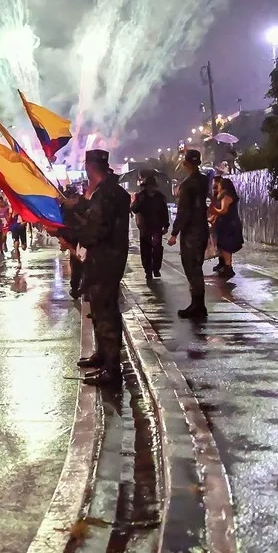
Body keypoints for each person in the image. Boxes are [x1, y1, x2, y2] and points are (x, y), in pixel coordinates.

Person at [67, 150, 130, 387]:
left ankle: (111, 370)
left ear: (90, 166)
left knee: (105, 312)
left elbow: (95, 231)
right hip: (107, 259)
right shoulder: (111, 192)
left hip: (105, 260)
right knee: (100, 309)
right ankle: (103, 356)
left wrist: (69, 233)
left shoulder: (106, 195)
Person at [168, 149, 210, 319]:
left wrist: (174, 233)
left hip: (191, 232)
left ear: (186, 163)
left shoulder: (187, 185)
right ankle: (198, 304)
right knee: (197, 267)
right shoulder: (204, 180)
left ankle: (198, 306)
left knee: (192, 268)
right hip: (202, 229)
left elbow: (184, 211)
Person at [131, 174, 170, 279]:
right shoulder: (140, 196)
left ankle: (156, 269)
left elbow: (164, 211)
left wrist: (166, 225)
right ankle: (148, 270)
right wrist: (139, 201)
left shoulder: (160, 197)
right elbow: (134, 209)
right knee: (145, 249)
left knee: (157, 248)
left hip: (157, 226)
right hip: (145, 227)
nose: (150, 188)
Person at [209, 177, 243, 280]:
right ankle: (224, 265)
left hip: (229, 224)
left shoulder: (227, 196)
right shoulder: (221, 196)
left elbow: (223, 210)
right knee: (222, 245)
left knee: (226, 246)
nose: (217, 186)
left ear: (223, 186)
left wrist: (213, 210)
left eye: (219, 184)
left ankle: (228, 267)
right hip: (225, 224)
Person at [58, 184, 86, 299]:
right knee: (77, 262)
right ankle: (76, 288)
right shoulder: (65, 208)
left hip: (80, 236)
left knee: (78, 262)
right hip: (74, 236)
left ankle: (77, 287)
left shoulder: (78, 206)